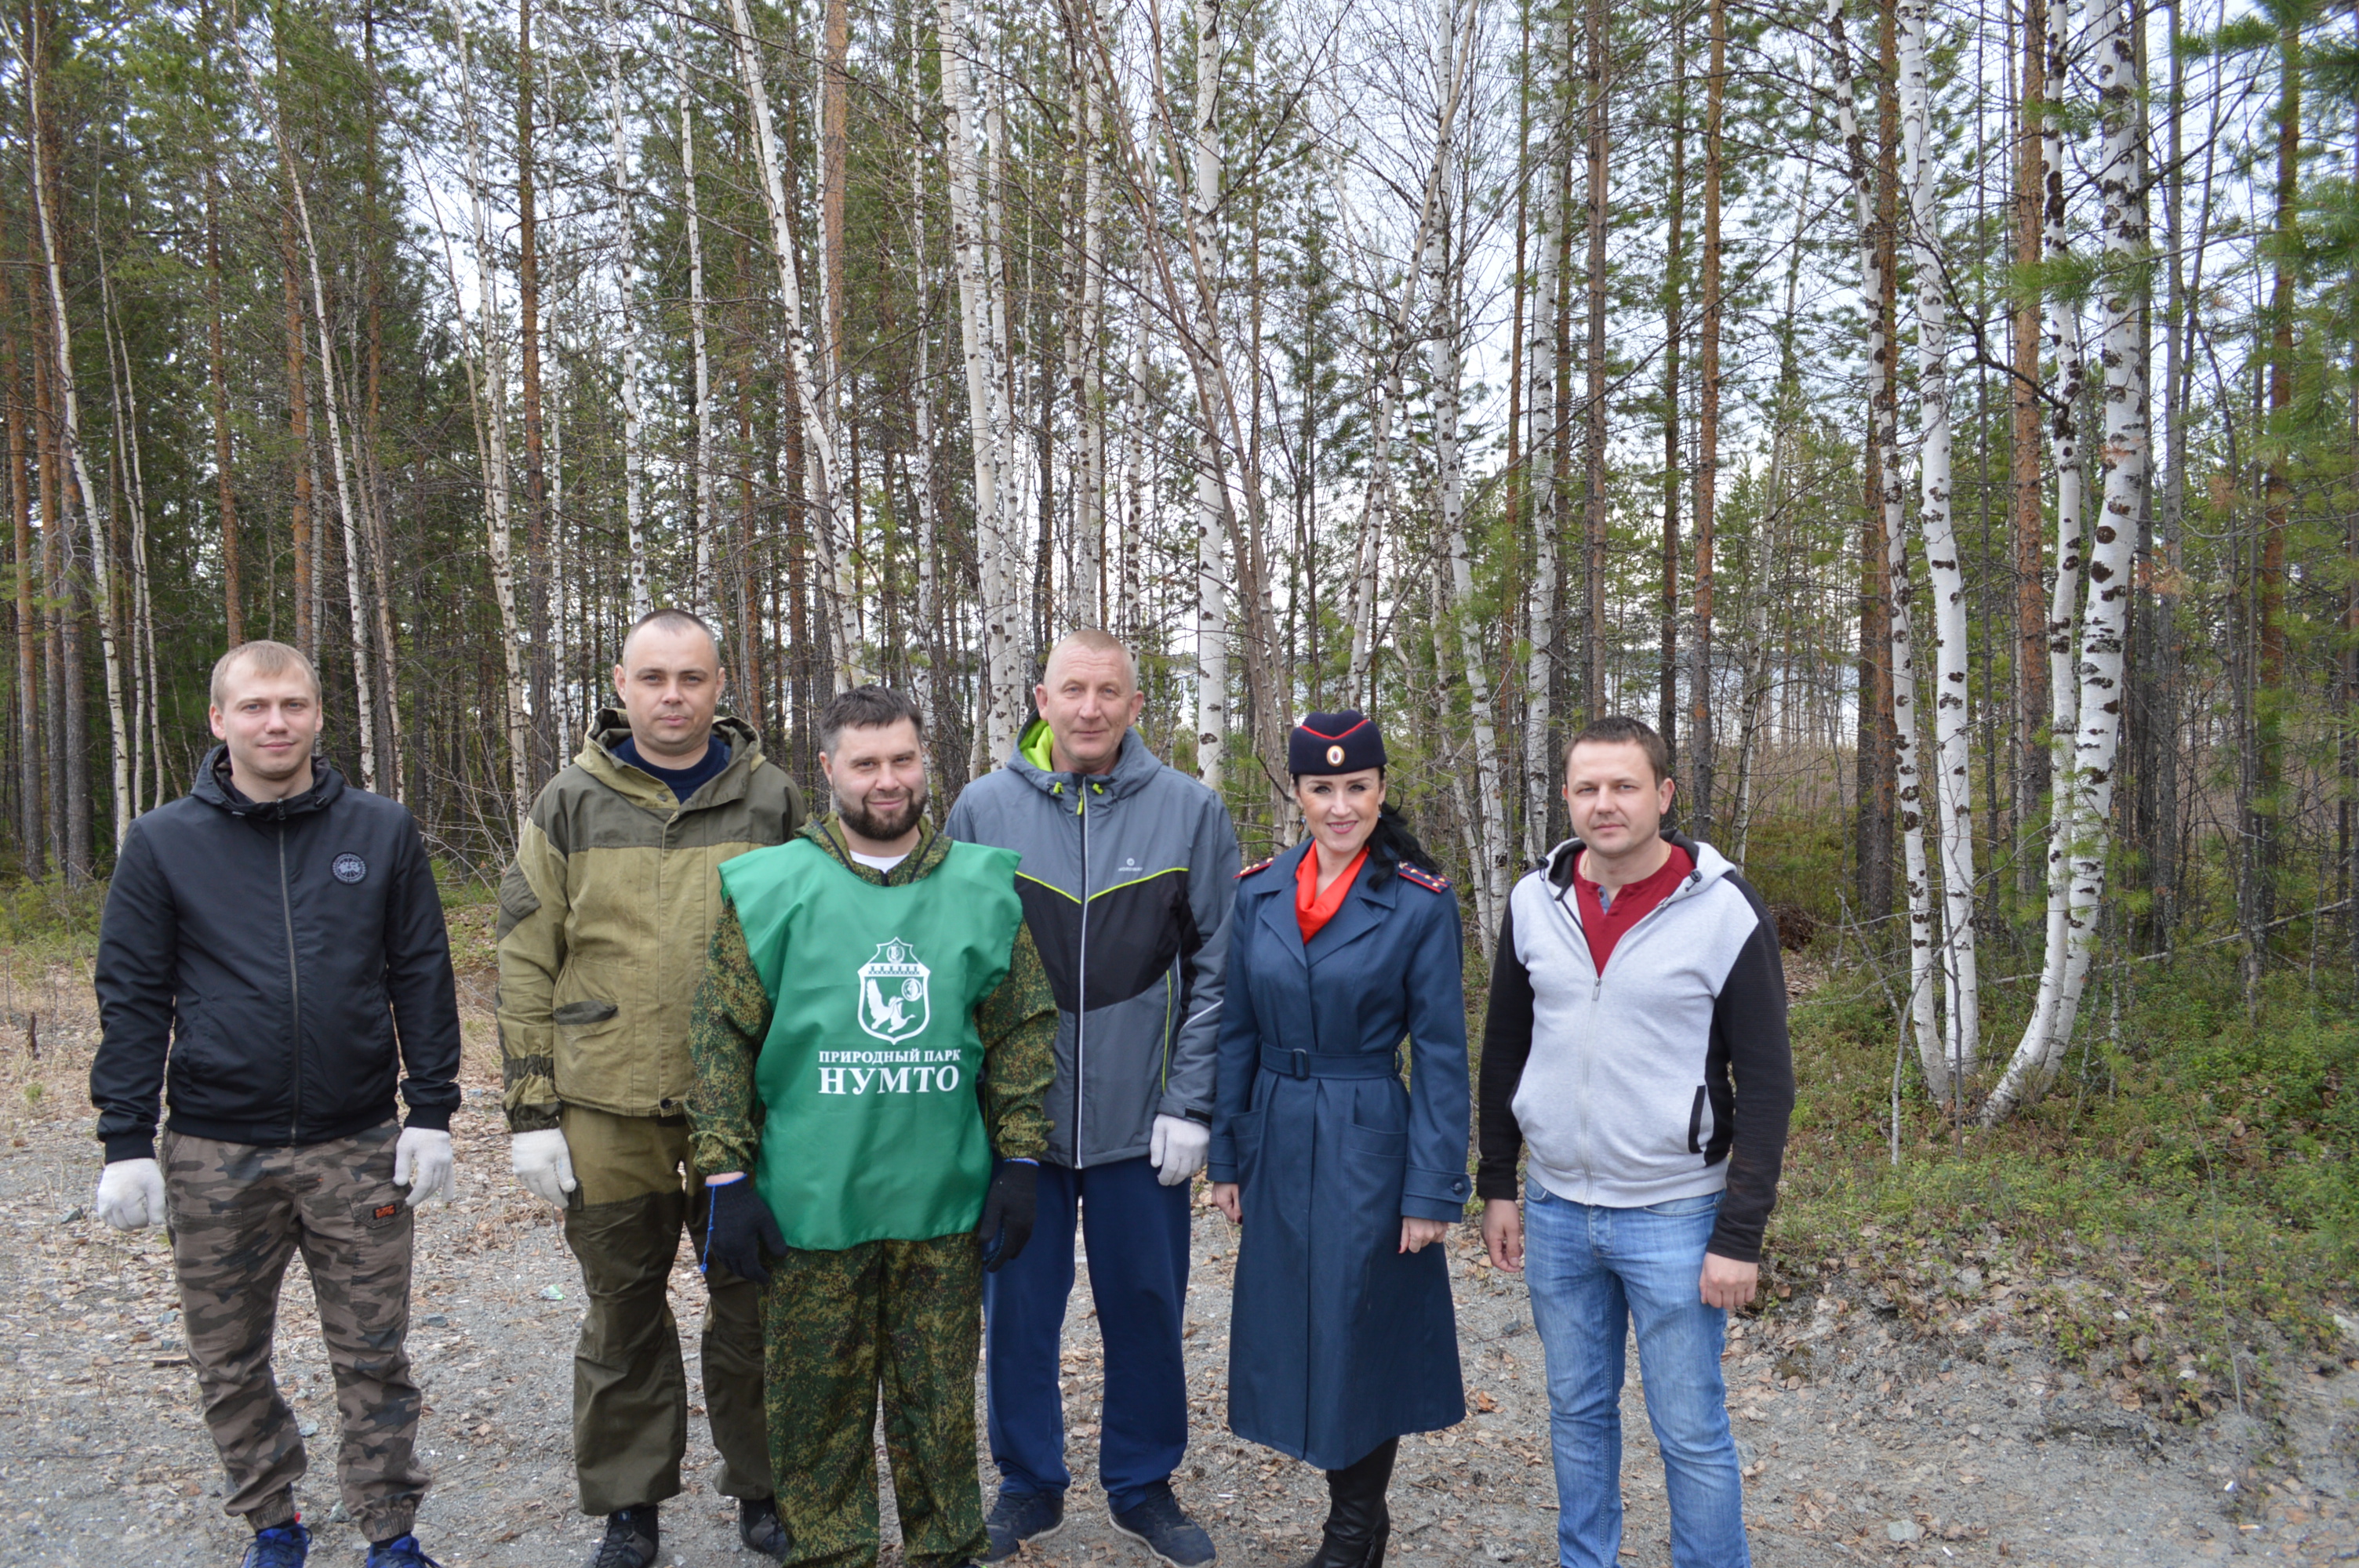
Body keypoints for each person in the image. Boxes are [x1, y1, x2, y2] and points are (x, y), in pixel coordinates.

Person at [89, 640, 460, 1568]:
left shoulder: (380, 830)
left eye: (292, 703)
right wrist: (125, 1136)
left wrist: (433, 1110)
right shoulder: (163, 842)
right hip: (217, 1149)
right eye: (254, 706)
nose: (275, 722)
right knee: (228, 1357)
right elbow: (133, 995)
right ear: (219, 719)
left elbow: (421, 973)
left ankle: (390, 1531)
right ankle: (272, 1519)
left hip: (357, 1141)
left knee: (374, 1354)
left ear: (318, 714)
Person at [689, 684, 1057, 1568]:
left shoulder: (984, 886)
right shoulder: (771, 885)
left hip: (941, 1201)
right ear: (828, 769)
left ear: (925, 760)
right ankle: (829, 1551)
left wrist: (1018, 1157)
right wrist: (725, 1177)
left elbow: (1020, 1030)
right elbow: (719, 1040)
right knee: (817, 1409)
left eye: (902, 758)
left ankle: (947, 1547)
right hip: (814, 1206)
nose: (886, 781)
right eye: (865, 763)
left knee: (936, 1404)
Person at [496, 608, 805, 1568]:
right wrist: (531, 1109)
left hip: (743, 1112)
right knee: (623, 1312)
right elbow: (522, 954)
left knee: (755, 1305)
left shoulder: (773, 801)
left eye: (692, 678)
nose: (673, 695)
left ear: (722, 688)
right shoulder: (569, 801)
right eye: (654, 677)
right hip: (607, 1109)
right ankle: (630, 1503)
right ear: (621, 686)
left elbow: (816, 947)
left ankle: (765, 1485)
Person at [945, 630, 1238, 1568]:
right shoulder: (982, 808)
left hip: (1140, 1125)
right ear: (1040, 698)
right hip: (1020, 1127)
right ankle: (1028, 1481)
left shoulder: (1191, 809)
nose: (1089, 708)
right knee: (1018, 1310)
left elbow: (1217, 974)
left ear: (1135, 704)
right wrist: (976, 1113)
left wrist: (1190, 1102)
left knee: (1146, 1304)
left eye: (1108, 691)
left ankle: (1143, 1482)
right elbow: (955, 968)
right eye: (1072, 689)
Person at [1477, 715, 1795, 1568]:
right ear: (1567, 798)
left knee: (1689, 1427)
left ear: (1662, 793)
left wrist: (1738, 1236)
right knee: (1575, 1412)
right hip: (1554, 1209)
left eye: (1623, 785)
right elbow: (1505, 1046)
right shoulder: (1532, 901)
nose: (1603, 803)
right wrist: (1499, 1181)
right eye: (1586, 787)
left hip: (1676, 1214)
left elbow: (1766, 1084)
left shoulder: (1722, 909)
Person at [1206, 710, 1471, 1568]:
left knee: (1362, 1325)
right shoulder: (1257, 892)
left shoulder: (1419, 902)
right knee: (1295, 1320)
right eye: (1321, 788)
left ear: (1381, 788)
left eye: (1356, 785)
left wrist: (1433, 1189)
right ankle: (1350, 1516)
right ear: (1298, 794)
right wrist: (1226, 1153)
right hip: (1279, 1125)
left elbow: (1438, 1055)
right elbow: (1234, 1032)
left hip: (1368, 1127)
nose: (1340, 804)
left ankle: (1353, 1528)